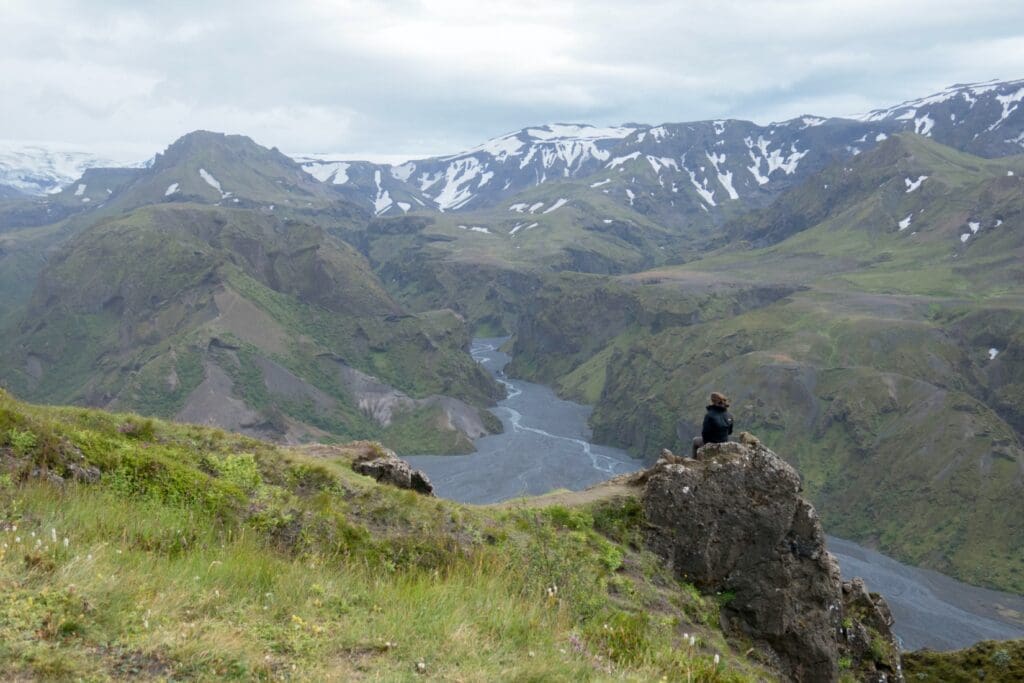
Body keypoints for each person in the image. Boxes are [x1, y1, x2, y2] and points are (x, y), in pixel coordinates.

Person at [691, 392, 734, 457]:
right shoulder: (729, 415)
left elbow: (705, 433)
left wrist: (708, 444)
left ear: (712, 401)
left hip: (712, 444)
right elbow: (730, 432)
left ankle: (694, 461)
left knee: (695, 440)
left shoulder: (709, 415)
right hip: (724, 443)